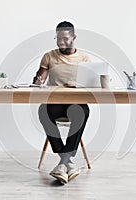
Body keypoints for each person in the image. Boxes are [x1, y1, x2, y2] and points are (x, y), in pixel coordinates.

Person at [33, 21, 90, 184]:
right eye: (58, 39)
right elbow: (39, 79)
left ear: (74, 37)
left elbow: (91, 84)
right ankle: (67, 161)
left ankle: (62, 164)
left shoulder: (84, 58)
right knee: (43, 111)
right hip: (55, 102)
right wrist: (39, 80)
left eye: (65, 38)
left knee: (83, 111)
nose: (61, 42)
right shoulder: (49, 56)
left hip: (76, 103)